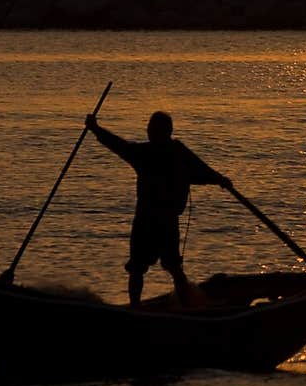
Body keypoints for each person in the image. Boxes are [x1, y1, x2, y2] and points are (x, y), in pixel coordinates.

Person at [85, 109, 231, 307]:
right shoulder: (168, 152)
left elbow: (200, 171)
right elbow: (200, 172)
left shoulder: (155, 153)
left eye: (151, 129)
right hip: (155, 220)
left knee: (156, 267)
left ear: (162, 131)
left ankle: (146, 308)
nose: (148, 132)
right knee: (157, 267)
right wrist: (218, 179)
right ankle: (145, 308)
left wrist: (96, 129)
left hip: (155, 221)